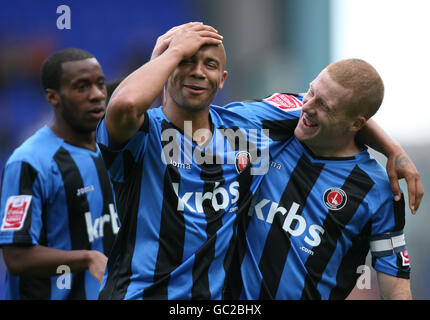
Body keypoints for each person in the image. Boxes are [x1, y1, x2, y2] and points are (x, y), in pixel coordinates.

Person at [96, 23, 422, 300]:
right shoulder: (142, 136)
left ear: (223, 79)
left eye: (208, 65)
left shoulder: (248, 131)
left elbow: (343, 108)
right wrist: (169, 54)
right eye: (185, 62)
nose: (307, 107)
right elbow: (123, 106)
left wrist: (394, 151)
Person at [223, 59, 415, 300]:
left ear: (356, 124)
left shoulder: (377, 191)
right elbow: (209, 120)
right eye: (311, 91)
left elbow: (396, 287)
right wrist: (392, 147)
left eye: (324, 105)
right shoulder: (274, 125)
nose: (306, 107)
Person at [0, 48, 120, 300]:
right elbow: (15, 256)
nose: (97, 95)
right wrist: (87, 258)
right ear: (53, 97)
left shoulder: (113, 149)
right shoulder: (28, 163)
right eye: (81, 87)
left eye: (100, 84)